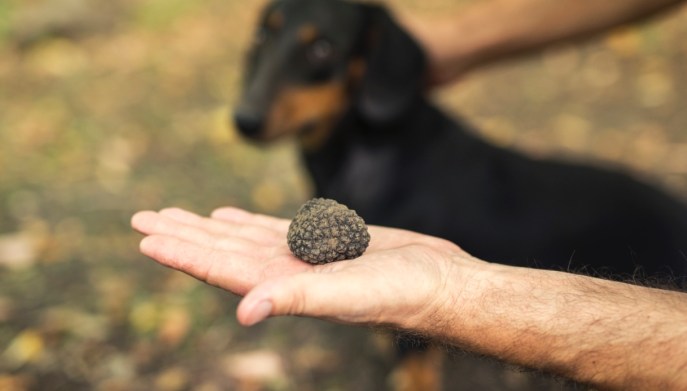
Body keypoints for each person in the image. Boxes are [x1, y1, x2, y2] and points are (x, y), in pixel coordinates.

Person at [132, 0, 687, 389]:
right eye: (267, 38)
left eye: (321, 49)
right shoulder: (349, 158)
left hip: (656, 235)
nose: (254, 104)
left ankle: (418, 369)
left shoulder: (408, 172)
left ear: (368, 63)